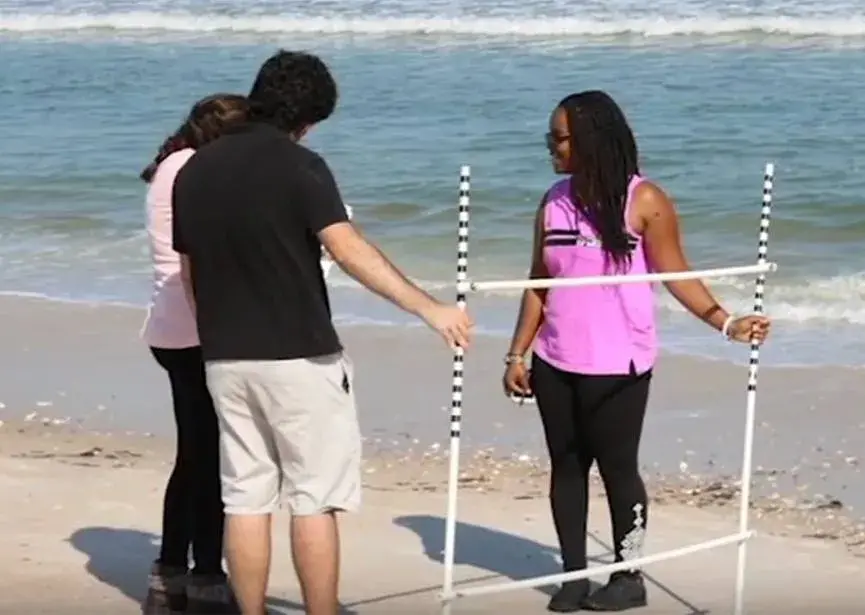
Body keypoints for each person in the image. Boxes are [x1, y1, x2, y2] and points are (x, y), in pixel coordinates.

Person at [170, 50, 473, 615]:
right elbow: (348, 248)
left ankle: (251, 610)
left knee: (245, 497)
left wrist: (215, 334)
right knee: (314, 500)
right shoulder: (300, 167)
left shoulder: (194, 170)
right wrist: (430, 308)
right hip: (299, 355)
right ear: (306, 119)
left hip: (225, 356)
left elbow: (191, 273)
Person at [501, 90, 772, 613]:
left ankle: (628, 576)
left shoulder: (644, 200)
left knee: (617, 467)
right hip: (555, 360)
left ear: (589, 140)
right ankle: (574, 575)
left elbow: (677, 275)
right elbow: (539, 281)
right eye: (550, 138)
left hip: (617, 364)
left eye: (558, 138)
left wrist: (726, 322)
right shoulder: (552, 199)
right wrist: (517, 354)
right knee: (566, 466)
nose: (550, 147)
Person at [139, 93, 250, 615]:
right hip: (194, 324)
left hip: (173, 323)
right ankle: (203, 574)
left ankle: (171, 571)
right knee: (207, 456)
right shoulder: (195, 168)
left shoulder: (176, 163)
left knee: (196, 453)